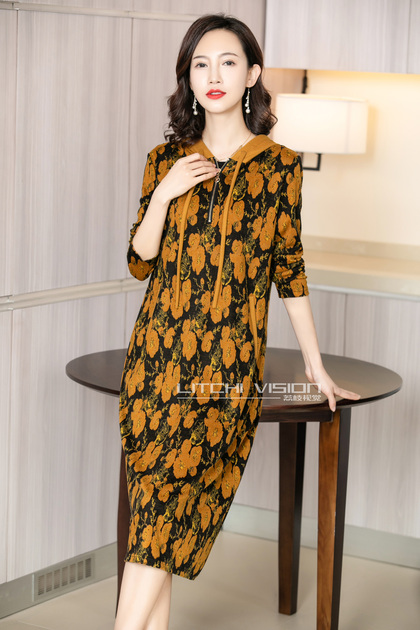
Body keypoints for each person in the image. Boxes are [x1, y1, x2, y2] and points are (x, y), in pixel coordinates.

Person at [115, 13, 359, 630]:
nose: (213, 74)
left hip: (223, 374)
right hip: (155, 363)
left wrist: (315, 366)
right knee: (157, 523)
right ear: (188, 77)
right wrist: (165, 193)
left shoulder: (278, 168)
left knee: (164, 521)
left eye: (227, 62)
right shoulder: (164, 160)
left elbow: (289, 272)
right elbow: (139, 261)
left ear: (252, 74)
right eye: (201, 64)